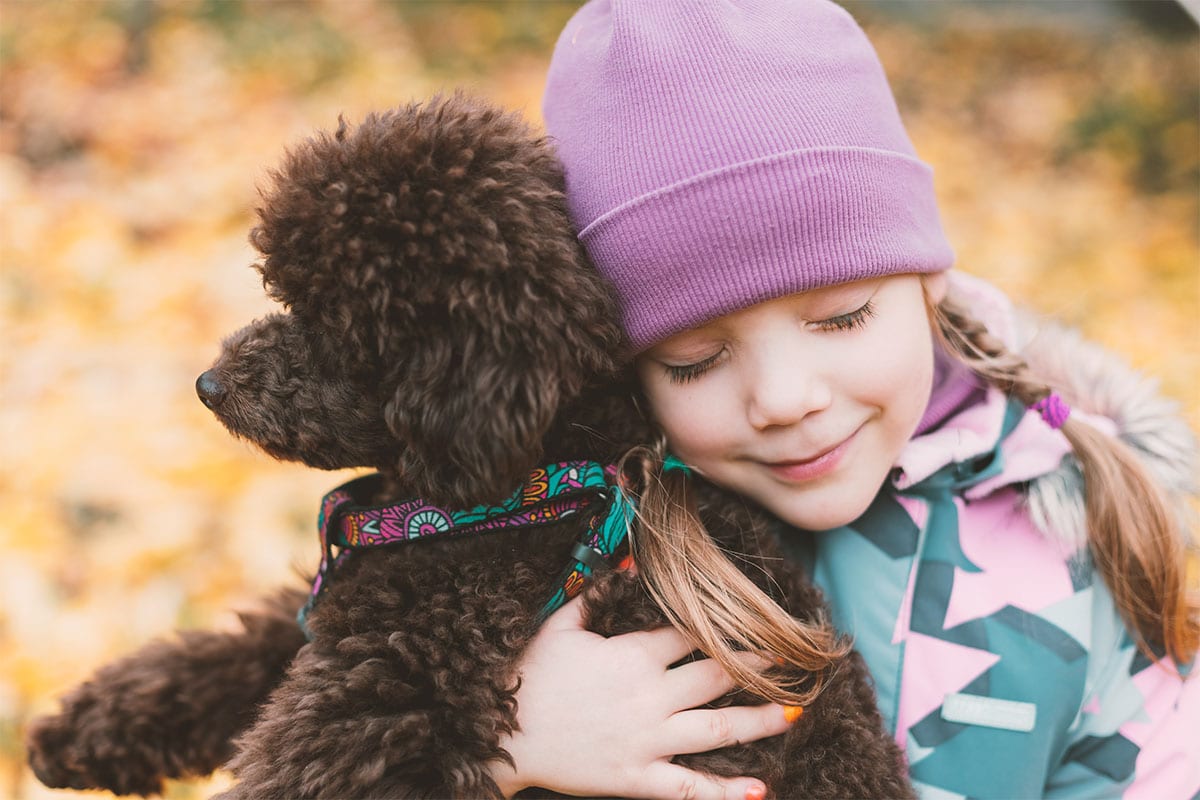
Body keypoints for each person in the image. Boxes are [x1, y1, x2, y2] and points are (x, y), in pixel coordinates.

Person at [487, 1, 1200, 798]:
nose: (785, 399)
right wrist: (500, 749)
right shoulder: (553, 545)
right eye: (694, 360)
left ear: (929, 276)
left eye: (841, 316)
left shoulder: (1081, 533)